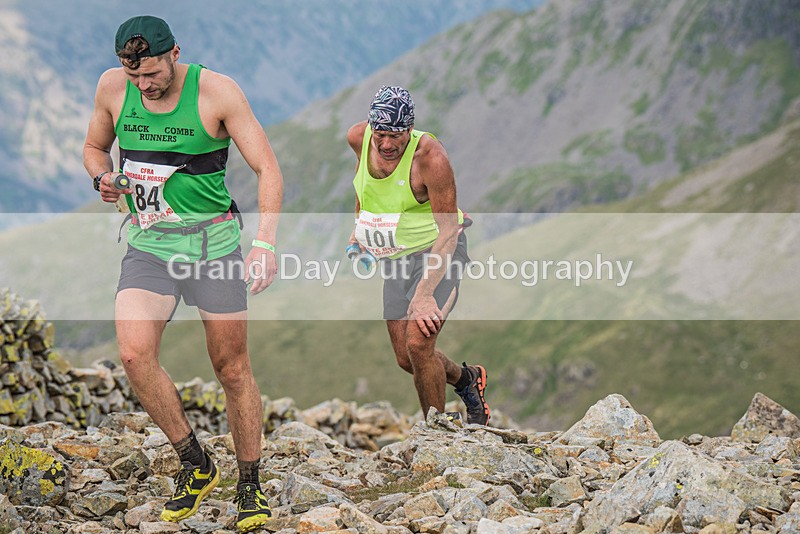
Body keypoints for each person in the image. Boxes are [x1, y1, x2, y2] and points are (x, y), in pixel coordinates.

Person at [83, 16, 282, 532]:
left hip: (213, 246)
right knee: (132, 353)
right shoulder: (112, 86)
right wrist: (104, 177)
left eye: (151, 74)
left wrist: (264, 243)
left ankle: (251, 485)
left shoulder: (217, 92)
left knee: (231, 368)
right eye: (135, 78)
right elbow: (93, 148)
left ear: (175, 54)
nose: (144, 86)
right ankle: (196, 464)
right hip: (150, 245)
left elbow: (269, 168)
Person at [346, 85, 490, 425]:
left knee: (419, 342)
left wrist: (425, 294)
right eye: (380, 134)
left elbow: (448, 231)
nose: (385, 144)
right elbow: (363, 184)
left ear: (410, 131)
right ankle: (467, 379)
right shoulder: (358, 138)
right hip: (397, 256)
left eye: (395, 135)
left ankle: (434, 434)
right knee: (406, 358)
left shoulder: (431, 159)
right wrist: (360, 228)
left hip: (440, 252)